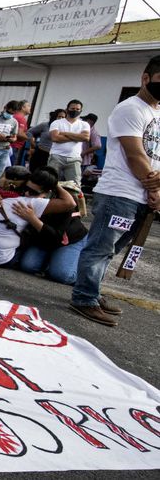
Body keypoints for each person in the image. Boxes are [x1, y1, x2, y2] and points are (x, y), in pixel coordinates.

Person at [70, 57, 160, 327]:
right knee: (101, 246)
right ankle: (84, 298)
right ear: (146, 79)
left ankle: (93, 293)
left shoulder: (157, 113)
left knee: (113, 248)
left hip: (141, 196)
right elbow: (136, 155)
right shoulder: (130, 109)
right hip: (120, 194)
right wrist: (155, 189)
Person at [0, 166, 75, 266]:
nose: (28, 194)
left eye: (32, 192)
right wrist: (55, 184)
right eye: (27, 189)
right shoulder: (29, 203)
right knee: (28, 257)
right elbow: (70, 203)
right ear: (24, 184)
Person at [18, 181, 88, 285]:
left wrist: (33, 219)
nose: (28, 194)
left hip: (68, 240)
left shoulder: (68, 210)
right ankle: (52, 261)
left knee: (63, 275)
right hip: (46, 238)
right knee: (28, 266)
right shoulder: (39, 202)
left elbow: (55, 237)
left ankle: (88, 276)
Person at [48, 99, 90, 182]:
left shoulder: (84, 124)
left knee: (75, 185)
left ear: (81, 111)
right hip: (56, 157)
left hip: (74, 158)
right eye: (72, 109)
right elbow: (55, 138)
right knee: (50, 181)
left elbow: (85, 138)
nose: (75, 111)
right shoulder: (57, 123)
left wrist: (65, 133)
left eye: (77, 109)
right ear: (67, 109)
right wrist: (77, 137)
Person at [10, 100, 31, 164]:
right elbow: (19, 134)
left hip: (11, 146)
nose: (30, 108)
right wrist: (29, 139)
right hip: (13, 146)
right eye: (28, 106)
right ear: (23, 107)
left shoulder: (15, 116)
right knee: (8, 168)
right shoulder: (21, 118)